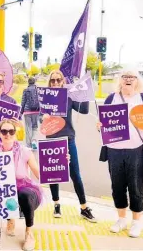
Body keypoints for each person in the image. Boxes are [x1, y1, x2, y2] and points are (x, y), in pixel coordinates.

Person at [97, 71, 143, 237]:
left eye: (131, 77)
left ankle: (136, 222)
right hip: (114, 149)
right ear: (120, 81)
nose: (128, 79)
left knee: (136, 186)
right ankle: (121, 219)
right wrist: (99, 126)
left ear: (137, 81)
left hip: (137, 149)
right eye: (125, 76)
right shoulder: (111, 98)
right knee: (117, 185)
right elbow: (103, 123)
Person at [42, 69, 96, 222]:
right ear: (50, 82)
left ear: (63, 81)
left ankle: (84, 208)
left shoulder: (68, 96)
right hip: (52, 139)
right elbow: (40, 119)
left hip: (68, 138)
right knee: (53, 174)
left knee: (75, 174)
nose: (56, 82)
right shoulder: (46, 98)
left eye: (59, 80)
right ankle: (57, 204)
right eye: (53, 80)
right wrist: (43, 117)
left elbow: (84, 110)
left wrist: (84, 91)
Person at [0, 118, 48, 251]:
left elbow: (38, 173)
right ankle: (10, 220)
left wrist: (60, 165)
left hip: (25, 187)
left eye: (11, 131)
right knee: (1, 191)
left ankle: (29, 232)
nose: (8, 134)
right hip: (7, 189)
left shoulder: (25, 151)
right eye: (4, 131)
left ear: (15, 133)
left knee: (24, 195)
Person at [20, 77, 40, 149]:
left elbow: (23, 102)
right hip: (36, 111)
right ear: (34, 82)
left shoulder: (25, 90)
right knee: (35, 127)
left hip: (27, 111)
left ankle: (28, 145)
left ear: (28, 82)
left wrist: (21, 112)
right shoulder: (38, 90)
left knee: (28, 128)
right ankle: (34, 141)